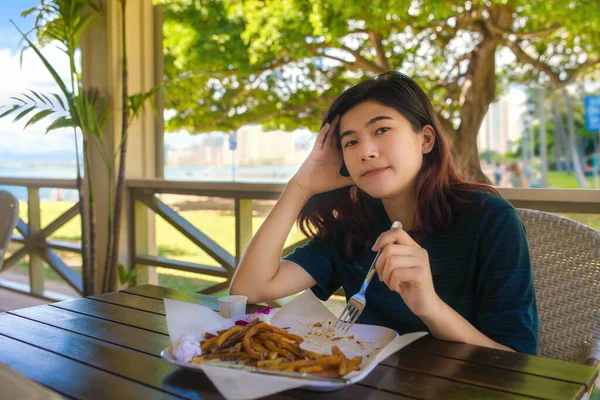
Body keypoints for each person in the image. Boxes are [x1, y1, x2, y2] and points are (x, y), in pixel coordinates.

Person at [230, 72, 538, 355]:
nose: (366, 151)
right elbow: (249, 289)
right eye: (351, 142)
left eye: (382, 129)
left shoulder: (490, 220)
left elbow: (519, 363)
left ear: (425, 139)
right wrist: (300, 185)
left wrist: (430, 306)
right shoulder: (353, 225)